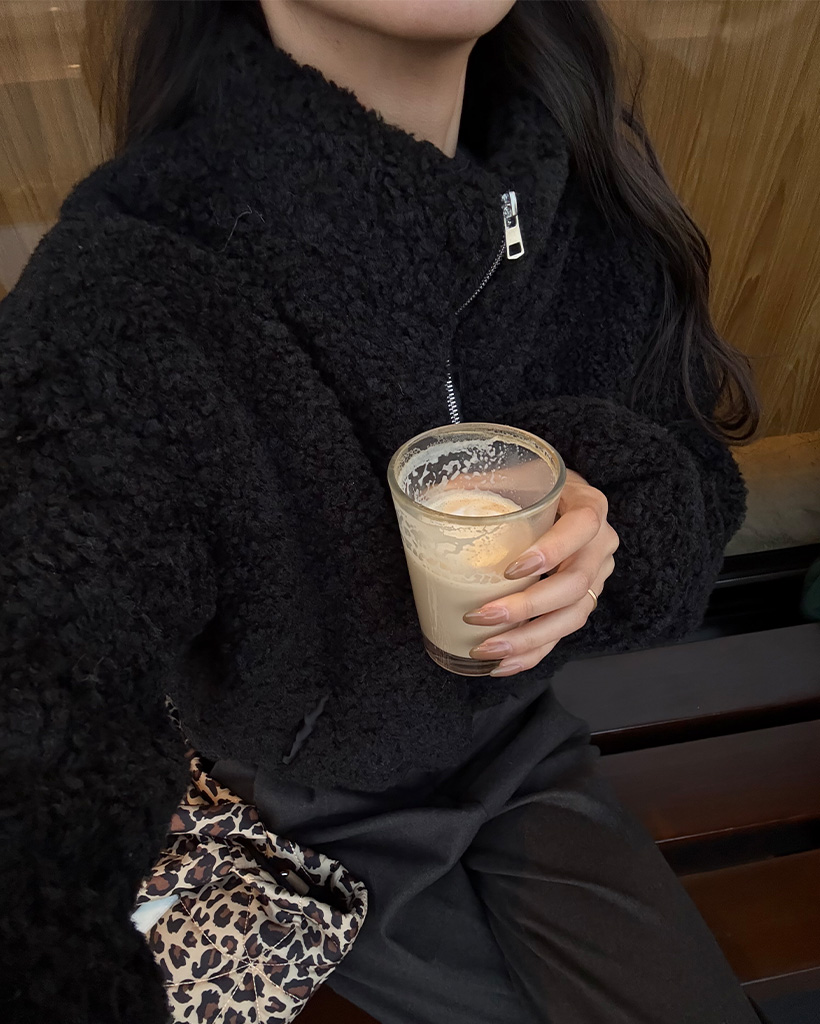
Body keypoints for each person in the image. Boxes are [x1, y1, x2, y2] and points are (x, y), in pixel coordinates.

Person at [0, 1, 765, 1022]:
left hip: (519, 744)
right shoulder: (127, 290)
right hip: (292, 802)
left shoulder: (584, 183)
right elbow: (37, 698)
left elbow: (699, 472)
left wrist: (609, 521)